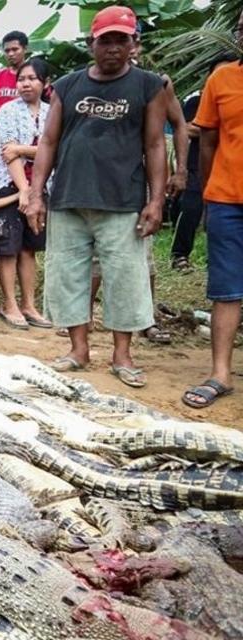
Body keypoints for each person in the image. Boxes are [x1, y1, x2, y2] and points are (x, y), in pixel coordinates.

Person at [25, 6, 167, 388]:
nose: (114, 48)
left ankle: (123, 356)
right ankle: (78, 350)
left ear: (134, 43)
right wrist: (36, 195)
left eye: (123, 39)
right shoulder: (68, 86)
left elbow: (155, 144)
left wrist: (156, 201)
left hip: (122, 199)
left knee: (124, 278)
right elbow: (48, 142)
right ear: (92, 43)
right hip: (69, 197)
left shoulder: (148, 85)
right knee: (68, 275)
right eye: (107, 40)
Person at [183, 13, 243, 408]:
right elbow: (207, 142)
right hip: (226, 199)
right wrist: (207, 194)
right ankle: (221, 373)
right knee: (226, 289)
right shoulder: (221, 79)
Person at [0, 57, 52, 330]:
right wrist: (24, 191)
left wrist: (25, 150)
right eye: (21, 79)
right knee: (7, 247)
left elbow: (57, 150)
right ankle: (9, 304)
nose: (25, 84)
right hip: (8, 185)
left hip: (43, 187)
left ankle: (29, 304)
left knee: (30, 248)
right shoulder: (7, 111)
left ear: (45, 83)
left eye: (32, 79)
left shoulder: (53, 112)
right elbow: (8, 152)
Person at [171, 55, 235, 272]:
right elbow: (187, 127)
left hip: (229, 167)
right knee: (191, 207)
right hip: (198, 162)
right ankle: (180, 254)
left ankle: (216, 259)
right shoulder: (196, 100)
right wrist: (216, 126)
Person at [0, 31, 29, 111]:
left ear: (25, 49)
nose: (11, 54)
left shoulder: (35, 75)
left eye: (15, 49)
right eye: (7, 51)